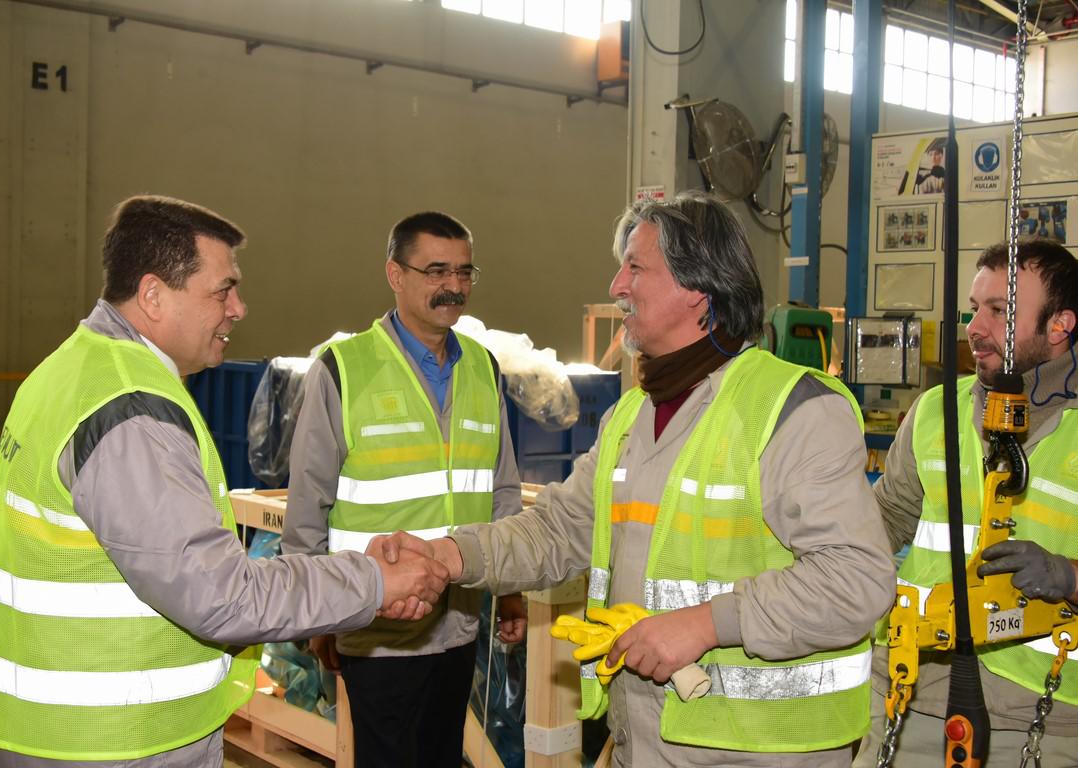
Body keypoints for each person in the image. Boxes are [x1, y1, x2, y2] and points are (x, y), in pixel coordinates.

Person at [379, 193, 897, 767]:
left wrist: (705, 625)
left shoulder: (793, 411)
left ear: (697, 286)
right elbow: (558, 529)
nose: (616, 286)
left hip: (762, 752)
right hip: (643, 741)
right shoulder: (632, 415)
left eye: (635, 267)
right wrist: (448, 555)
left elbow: (856, 579)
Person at [0, 196, 449, 768]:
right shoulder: (131, 412)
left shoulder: (74, 369)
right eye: (223, 290)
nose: (239, 308)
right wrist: (373, 581)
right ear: (153, 295)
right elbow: (221, 596)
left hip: (37, 729)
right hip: (108, 741)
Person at [283, 211, 527, 768]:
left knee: (441, 756)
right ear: (395, 274)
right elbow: (308, 502)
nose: (453, 286)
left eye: (464, 272)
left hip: (458, 622)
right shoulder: (344, 370)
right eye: (436, 271)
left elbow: (503, 489)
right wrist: (315, 613)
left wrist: (510, 586)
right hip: (376, 625)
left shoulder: (483, 369)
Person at [856, 238, 1078, 766]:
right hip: (908, 691)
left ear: (1059, 325)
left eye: (999, 311)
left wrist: (1069, 576)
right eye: (974, 309)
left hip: (1039, 715)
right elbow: (880, 523)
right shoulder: (937, 411)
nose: (975, 328)